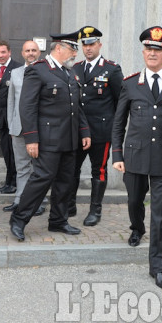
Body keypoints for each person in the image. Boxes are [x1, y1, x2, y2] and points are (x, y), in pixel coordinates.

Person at [111, 26, 162, 290]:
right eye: (148, 49)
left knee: (160, 212)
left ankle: (158, 267)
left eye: (157, 50)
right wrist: (117, 154)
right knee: (135, 200)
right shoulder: (130, 83)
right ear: (143, 52)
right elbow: (119, 122)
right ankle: (137, 227)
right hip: (134, 154)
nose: (152, 54)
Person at [9, 33, 91, 241]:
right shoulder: (39, 70)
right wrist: (31, 139)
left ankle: (58, 220)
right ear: (59, 48)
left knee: (65, 181)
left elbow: (76, 107)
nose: (75, 54)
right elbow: (27, 108)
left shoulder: (69, 73)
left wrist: (84, 131)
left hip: (69, 138)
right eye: (73, 50)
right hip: (47, 139)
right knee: (41, 179)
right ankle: (18, 219)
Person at [69, 26, 123, 226]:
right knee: (71, 168)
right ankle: (69, 204)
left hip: (101, 130)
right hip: (77, 130)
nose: (88, 48)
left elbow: (121, 102)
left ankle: (95, 210)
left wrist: (116, 130)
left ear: (100, 45)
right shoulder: (75, 68)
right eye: (85, 44)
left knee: (98, 170)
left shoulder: (111, 69)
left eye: (91, 44)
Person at [3, 41, 46, 215]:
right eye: (27, 50)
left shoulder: (46, 72)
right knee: (21, 167)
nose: (30, 53)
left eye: (34, 50)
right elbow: (10, 101)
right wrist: (12, 127)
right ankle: (19, 199)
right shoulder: (15, 73)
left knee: (38, 168)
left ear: (39, 52)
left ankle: (39, 201)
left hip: (39, 129)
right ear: (22, 53)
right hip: (19, 128)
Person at [0, 41, 20, 193]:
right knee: (6, 151)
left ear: (9, 52)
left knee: (15, 152)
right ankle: (8, 181)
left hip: (14, 119)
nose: (0, 56)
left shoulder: (18, 68)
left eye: (3, 52)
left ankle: (15, 183)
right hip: (1, 118)